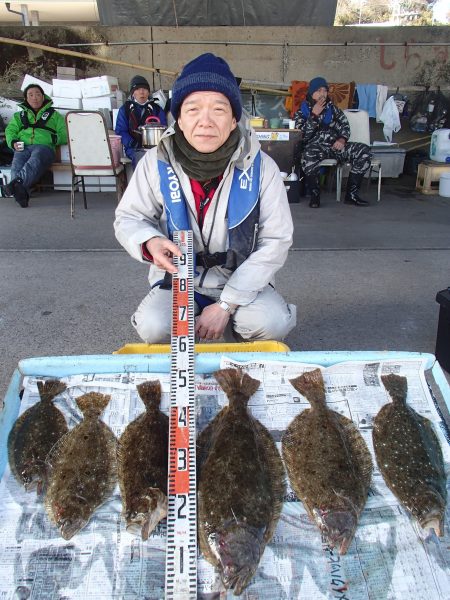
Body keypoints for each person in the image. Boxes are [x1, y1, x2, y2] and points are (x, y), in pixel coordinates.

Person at [114, 53, 296, 344]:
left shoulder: (262, 167)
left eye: (219, 110)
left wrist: (225, 305)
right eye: (193, 109)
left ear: (234, 118)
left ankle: (232, 326)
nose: (205, 122)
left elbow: (276, 241)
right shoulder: (154, 162)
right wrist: (149, 241)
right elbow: (129, 218)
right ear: (180, 118)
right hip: (178, 281)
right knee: (154, 326)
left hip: (241, 282)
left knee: (271, 323)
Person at [294, 77, 371, 208]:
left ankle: (351, 195)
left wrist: (342, 139)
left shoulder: (333, 109)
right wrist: (314, 116)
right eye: (319, 91)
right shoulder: (302, 112)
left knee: (363, 151)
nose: (322, 94)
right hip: (315, 148)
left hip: (334, 147)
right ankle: (314, 196)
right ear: (312, 93)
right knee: (307, 156)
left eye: (325, 91)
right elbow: (302, 136)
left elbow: (345, 126)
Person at [3, 84, 67, 208]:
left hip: (45, 148)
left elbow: (64, 134)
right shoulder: (19, 116)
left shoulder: (55, 115)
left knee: (35, 159)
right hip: (23, 146)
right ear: (26, 99)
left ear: (43, 97)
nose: (34, 98)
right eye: (30, 95)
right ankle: (21, 195)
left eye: (38, 94)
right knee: (16, 166)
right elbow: (10, 131)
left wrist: (50, 139)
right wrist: (13, 143)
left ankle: (13, 185)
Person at [115, 75, 168, 169]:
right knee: (141, 159)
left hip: (155, 147)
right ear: (133, 93)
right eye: (138, 89)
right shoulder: (125, 109)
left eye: (144, 89)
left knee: (162, 159)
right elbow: (120, 131)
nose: (142, 92)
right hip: (133, 148)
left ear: (148, 92)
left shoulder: (156, 109)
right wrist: (132, 143)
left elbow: (164, 128)